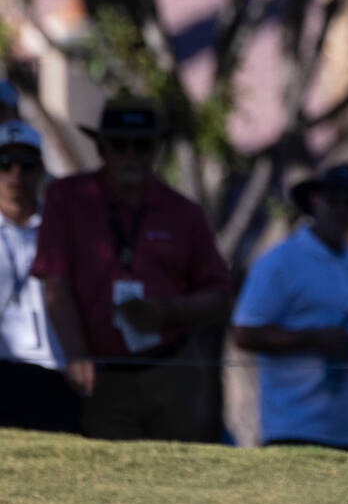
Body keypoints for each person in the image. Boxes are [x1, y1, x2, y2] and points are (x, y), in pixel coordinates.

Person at [33, 96, 232, 441]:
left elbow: (219, 295)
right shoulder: (67, 198)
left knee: (178, 473)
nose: (130, 155)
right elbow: (55, 283)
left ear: (155, 150)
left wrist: (166, 311)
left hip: (171, 367)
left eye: (141, 146)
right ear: (102, 148)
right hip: (100, 370)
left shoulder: (183, 212)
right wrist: (76, 354)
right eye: (119, 144)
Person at [232, 164, 348, 450]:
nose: (340, 209)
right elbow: (244, 333)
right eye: (332, 199)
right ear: (315, 200)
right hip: (291, 425)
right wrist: (314, 338)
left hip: (345, 429)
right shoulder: (280, 261)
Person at [0, 120, 80, 432]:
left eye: (26, 165)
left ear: (41, 170)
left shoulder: (64, 227)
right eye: (4, 164)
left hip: (54, 369)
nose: (15, 175)